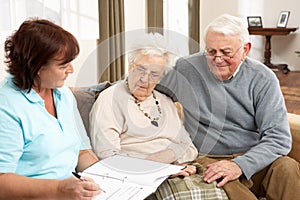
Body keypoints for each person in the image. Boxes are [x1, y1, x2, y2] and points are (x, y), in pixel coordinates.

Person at [156, 14, 300, 199]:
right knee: (221, 177)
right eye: (211, 51)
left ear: (245, 50)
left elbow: (279, 138)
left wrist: (240, 165)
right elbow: (145, 81)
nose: (217, 59)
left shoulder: (263, 78)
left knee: (287, 168)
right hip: (208, 159)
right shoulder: (187, 68)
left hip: (253, 156)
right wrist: (109, 87)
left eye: (226, 53)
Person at [89, 33, 228, 199]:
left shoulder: (164, 101)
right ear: (130, 66)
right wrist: (156, 165)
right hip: (138, 177)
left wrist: (171, 162)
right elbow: (107, 155)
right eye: (140, 69)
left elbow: (189, 148)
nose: (144, 79)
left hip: (176, 170)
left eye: (154, 74)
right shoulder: (110, 99)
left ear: (162, 76)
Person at [0, 19, 102, 199]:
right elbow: (2, 182)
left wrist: (113, 178)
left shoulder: (63, 94)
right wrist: (59, 189)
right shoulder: (7, 106)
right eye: (63, 65)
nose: (71, 70)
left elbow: (81, 151)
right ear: (37, 67)